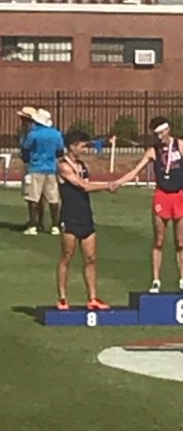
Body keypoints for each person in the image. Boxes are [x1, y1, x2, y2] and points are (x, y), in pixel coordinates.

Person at [113, 116, 183, 293]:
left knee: (180, 241)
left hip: (179, 195)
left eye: (161, 132)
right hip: (161, 196)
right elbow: (135, 171)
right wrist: (118, 182)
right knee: (159, 240)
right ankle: (156, 280)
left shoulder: (181, 145)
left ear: (167, 130)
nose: (159, 137)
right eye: (156, 134)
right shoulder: (153, 151)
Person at [55, 129, 113, 311]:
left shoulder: (82, 165)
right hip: (70, 216)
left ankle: (93, 298)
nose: (84, 149)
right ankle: (63, 298)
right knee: (67, 256)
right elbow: (84, 186)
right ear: (72, 146)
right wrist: (107, 186)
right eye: (82, 146)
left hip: (85, 215)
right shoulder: (63, 166)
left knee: (90, 257)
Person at [19, 107, 64, 236]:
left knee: (33, 197)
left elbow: (25, 148)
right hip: (51, 168)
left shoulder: (33, 134)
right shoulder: (56, 134)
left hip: (35, 167)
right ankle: (55, 225)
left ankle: (33, 225)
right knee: (53, 198)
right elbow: (60, 151)